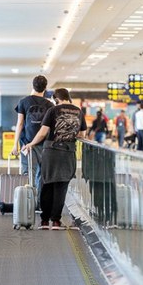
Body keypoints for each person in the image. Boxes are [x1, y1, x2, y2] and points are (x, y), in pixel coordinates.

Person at [23, 88, 87, 230]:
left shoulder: (52, 110)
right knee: (61, 187)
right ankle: (56, 221)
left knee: (47, 184)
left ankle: (45, 221)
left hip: (51, 152)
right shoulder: (78, 111)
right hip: (68, 152)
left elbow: (43, 132)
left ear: (56, 99)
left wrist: (31, 144)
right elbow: (82, 135)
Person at [11, 75, 55, 196]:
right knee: (42, 172)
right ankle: (40, 200)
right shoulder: (50, 105)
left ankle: (27, 199)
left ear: (32, 85)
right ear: (45, 88)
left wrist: (15, 145)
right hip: (44, 143)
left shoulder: (23, 102)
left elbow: (20, 124)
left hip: (26, 143)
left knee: (28, 171)